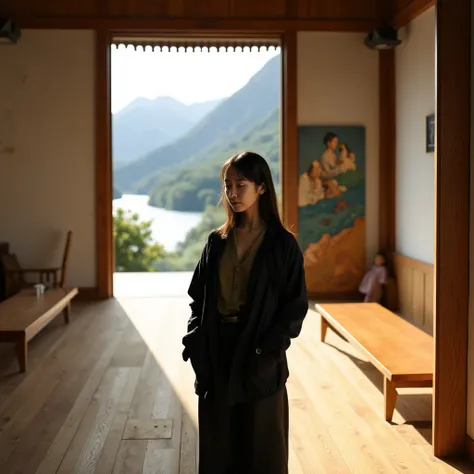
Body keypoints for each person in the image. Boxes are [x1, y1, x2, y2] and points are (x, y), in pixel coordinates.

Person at [182, 151, 308, 474]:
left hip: (259, 353)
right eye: (228, 186)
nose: (233, 193)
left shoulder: (282, 245)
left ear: (262, 188)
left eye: (241, 184)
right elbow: (198, 298)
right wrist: (195, 343)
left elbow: (293, 310)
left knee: (261, 452)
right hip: (216, 353)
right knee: (218, 450)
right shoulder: (216, 242)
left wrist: (267, 352)